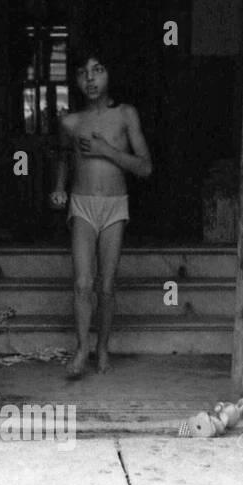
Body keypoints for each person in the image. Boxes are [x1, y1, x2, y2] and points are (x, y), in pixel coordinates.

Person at [49, 48, 152, 376]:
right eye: (82, 72)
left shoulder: (125, 114)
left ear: (110, 74)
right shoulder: (70, 122)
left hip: (114, 205)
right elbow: (64, 158)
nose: (90, 78)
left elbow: (145, 168)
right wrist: (59, 187)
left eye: (98, 70)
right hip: (81, 204)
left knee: (106, 285)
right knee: (82, 283)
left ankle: (102, 347)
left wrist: (107, 151)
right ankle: (81, 350)